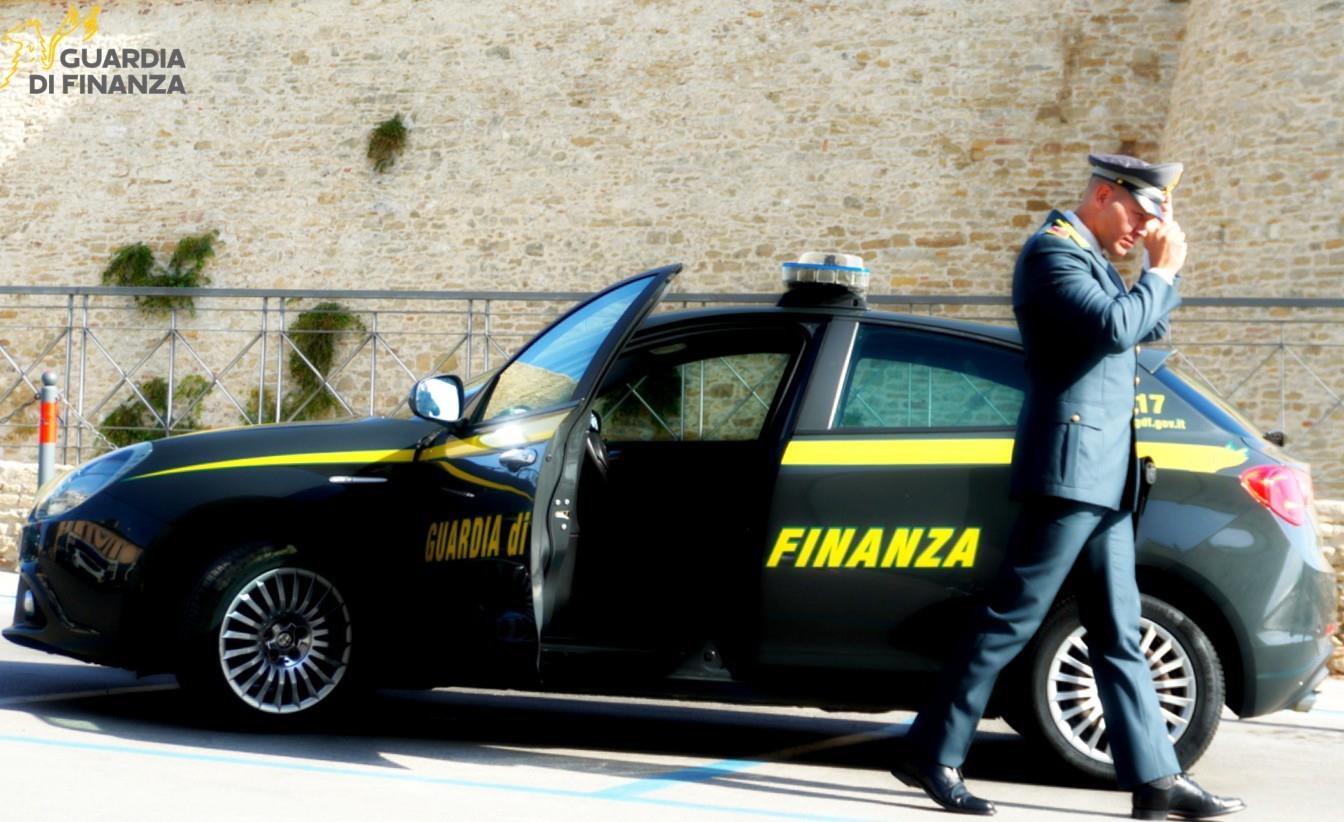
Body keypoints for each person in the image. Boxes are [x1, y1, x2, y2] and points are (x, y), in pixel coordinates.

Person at [889, 154, 1246, 820]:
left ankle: (1156, 780)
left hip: (1103, 475)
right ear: (1103, 195)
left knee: (1119, 632)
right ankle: (930, 752)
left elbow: (1147, 324)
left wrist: (1157, 273)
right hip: (1070, 473)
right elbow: (1117, 327)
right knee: (1010, 620)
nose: (1141, 228)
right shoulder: (1052, 254)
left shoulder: (1094, 261)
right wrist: (1160, 272)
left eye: (1151, 220)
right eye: (1136, 213)